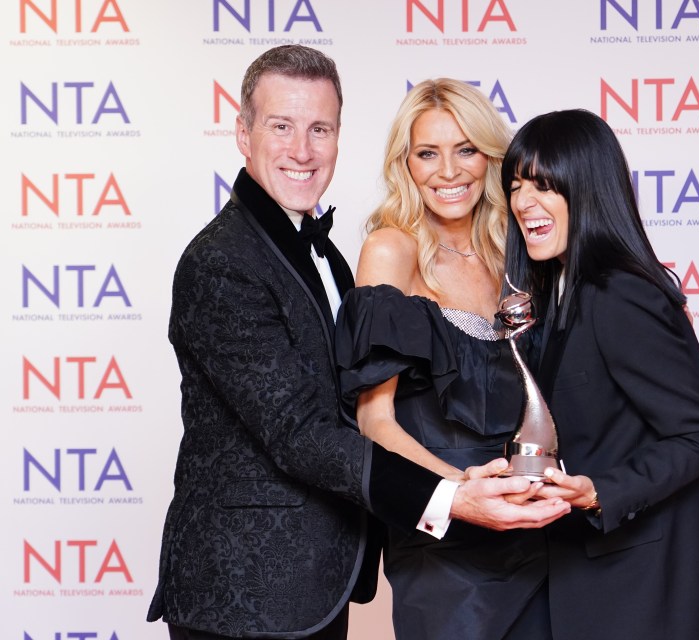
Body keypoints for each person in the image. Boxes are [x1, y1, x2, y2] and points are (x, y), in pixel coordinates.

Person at [146, 46, 569, 640]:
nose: (302, 150)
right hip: (248, 591)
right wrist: (449, 494)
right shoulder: (222, 262)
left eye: (320, 129)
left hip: (318, 579)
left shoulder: (322, 253)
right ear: (243, 135)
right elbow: (302, 432)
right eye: (281, 126)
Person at [502, 109, 699, 640]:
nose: (524, 202)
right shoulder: (557, 299)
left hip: (647, 593)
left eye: (545, 185)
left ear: (589, 189)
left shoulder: (619, 294)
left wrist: (599, 490)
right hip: (593, 581)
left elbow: (697, 439)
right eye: (515, 185)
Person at [334, 78, 551, 640]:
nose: (448, 172)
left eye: (466, 150)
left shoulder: (518, 249)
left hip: (537, 527)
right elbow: (373, 422)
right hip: (448, 542)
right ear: (404, 164)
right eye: (428, 153)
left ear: (491, 157)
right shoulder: (391, 250)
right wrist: (463, 493)